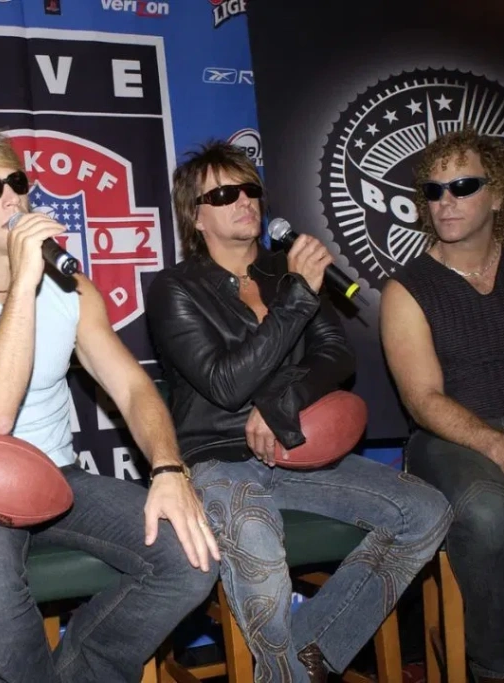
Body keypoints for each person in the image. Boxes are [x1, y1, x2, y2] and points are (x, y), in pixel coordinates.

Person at [0, 125, 220, 683]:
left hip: (60, 476)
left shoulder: (74, 292)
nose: (11, 199)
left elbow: (133, 387)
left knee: (191, 558)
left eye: (16, 183)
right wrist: (24, 283)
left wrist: (169, 468)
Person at [146, 140, 451, 683]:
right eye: (224, 194)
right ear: (196, 216)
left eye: (249, 189)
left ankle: (310, 652)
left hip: (297, 445)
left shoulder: (285, 271)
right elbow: (225, 383)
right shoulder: (175, 288)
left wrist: (279, 403)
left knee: (426, 511)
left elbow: (336, 353)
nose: (245, 200)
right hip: (220, 457)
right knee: (257, 540)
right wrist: (296, 299)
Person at [381, 127, 504, 683]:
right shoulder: (407, 289)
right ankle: (502, 667)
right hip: (451, 438)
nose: (446, 201)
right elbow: (423, 399)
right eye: (433, 190)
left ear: (498, 194)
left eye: (463, 186)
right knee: (488, 513)